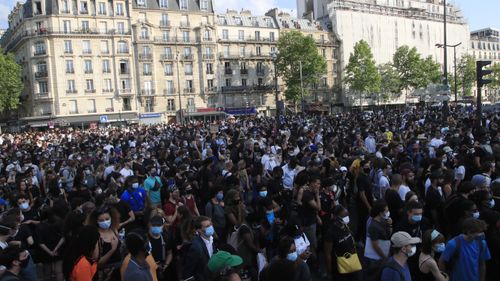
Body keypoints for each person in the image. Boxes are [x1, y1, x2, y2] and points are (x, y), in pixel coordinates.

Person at [324, 205, 361, 281]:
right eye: (344, 216)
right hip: (340, 267)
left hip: (352, 262)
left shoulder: (345, 226)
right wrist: (329, 272)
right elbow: (327, 254)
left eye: (347, 215)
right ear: (336, 217)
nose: (346, 218)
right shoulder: (330, 233)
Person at [182, 216, 217, 281]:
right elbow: (188, 271)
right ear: (199, 230)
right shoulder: (196, 247)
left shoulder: (212, 240)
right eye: (207, 226)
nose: (210, 227)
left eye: (210, 225)